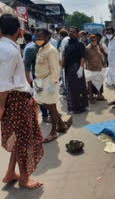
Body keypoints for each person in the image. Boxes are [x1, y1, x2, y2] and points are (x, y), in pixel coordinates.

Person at [0, 15, 43, 189]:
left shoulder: (8, 47)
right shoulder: (8, 50)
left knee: (18, 138)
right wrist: (1, 105)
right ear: (18, 30)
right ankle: (24, 178)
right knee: (24, 140)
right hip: (15, 99)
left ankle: (11, 172)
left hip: (15, 98)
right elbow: (3, 82)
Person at [34, 28, 70, 143]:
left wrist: (53, 83)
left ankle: (54, 132)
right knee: (44, 104)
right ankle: (61, 124)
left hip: (49, 82)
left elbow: (55, 69)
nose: (38, 39)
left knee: (52, 107)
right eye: (37, 37)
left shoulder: (51, 50)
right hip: (40, 82)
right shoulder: (41, 49)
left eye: (40, 37)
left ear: (47, 37)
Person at [23, 32, 50, 123]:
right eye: (38, 36)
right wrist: (29, 80)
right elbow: (26, 67)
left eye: (42, 36)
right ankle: (45, 116)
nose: (40, 38)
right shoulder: (31, 49)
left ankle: (51, 114)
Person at [62, 27, 88, 114]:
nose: (71, 33)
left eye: (73, 32)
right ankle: (73, 106)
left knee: (78, 89)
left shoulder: (80, 44)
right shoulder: (67, 45)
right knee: (70, 88)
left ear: (77, 34)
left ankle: (80, 107)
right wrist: (62, 66)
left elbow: (82, 57)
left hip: (76, 68)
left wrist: (81, 68)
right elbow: (64, 56)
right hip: (68, 69)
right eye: (70, 31)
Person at [85, 34, 106, 103]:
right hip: (90, 68)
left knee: (99, 82)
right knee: (90, 83)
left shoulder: (97, 47)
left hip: (98, 67)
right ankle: (91, 97)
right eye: (91, 40)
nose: (93, 41)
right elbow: (85, 58)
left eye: (94, 40)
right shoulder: (87, 48)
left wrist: (103, 63)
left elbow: (100, 56)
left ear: (96, 40)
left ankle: (99, 95)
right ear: (90, 41)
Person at [58, 29, 69, 95]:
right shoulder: (68, 39)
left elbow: (63, 53)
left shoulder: (64, 40)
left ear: (61, 35)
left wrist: (62, 63)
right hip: (68, 62)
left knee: (64, 77)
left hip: (64, 62)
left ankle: (66, 91)